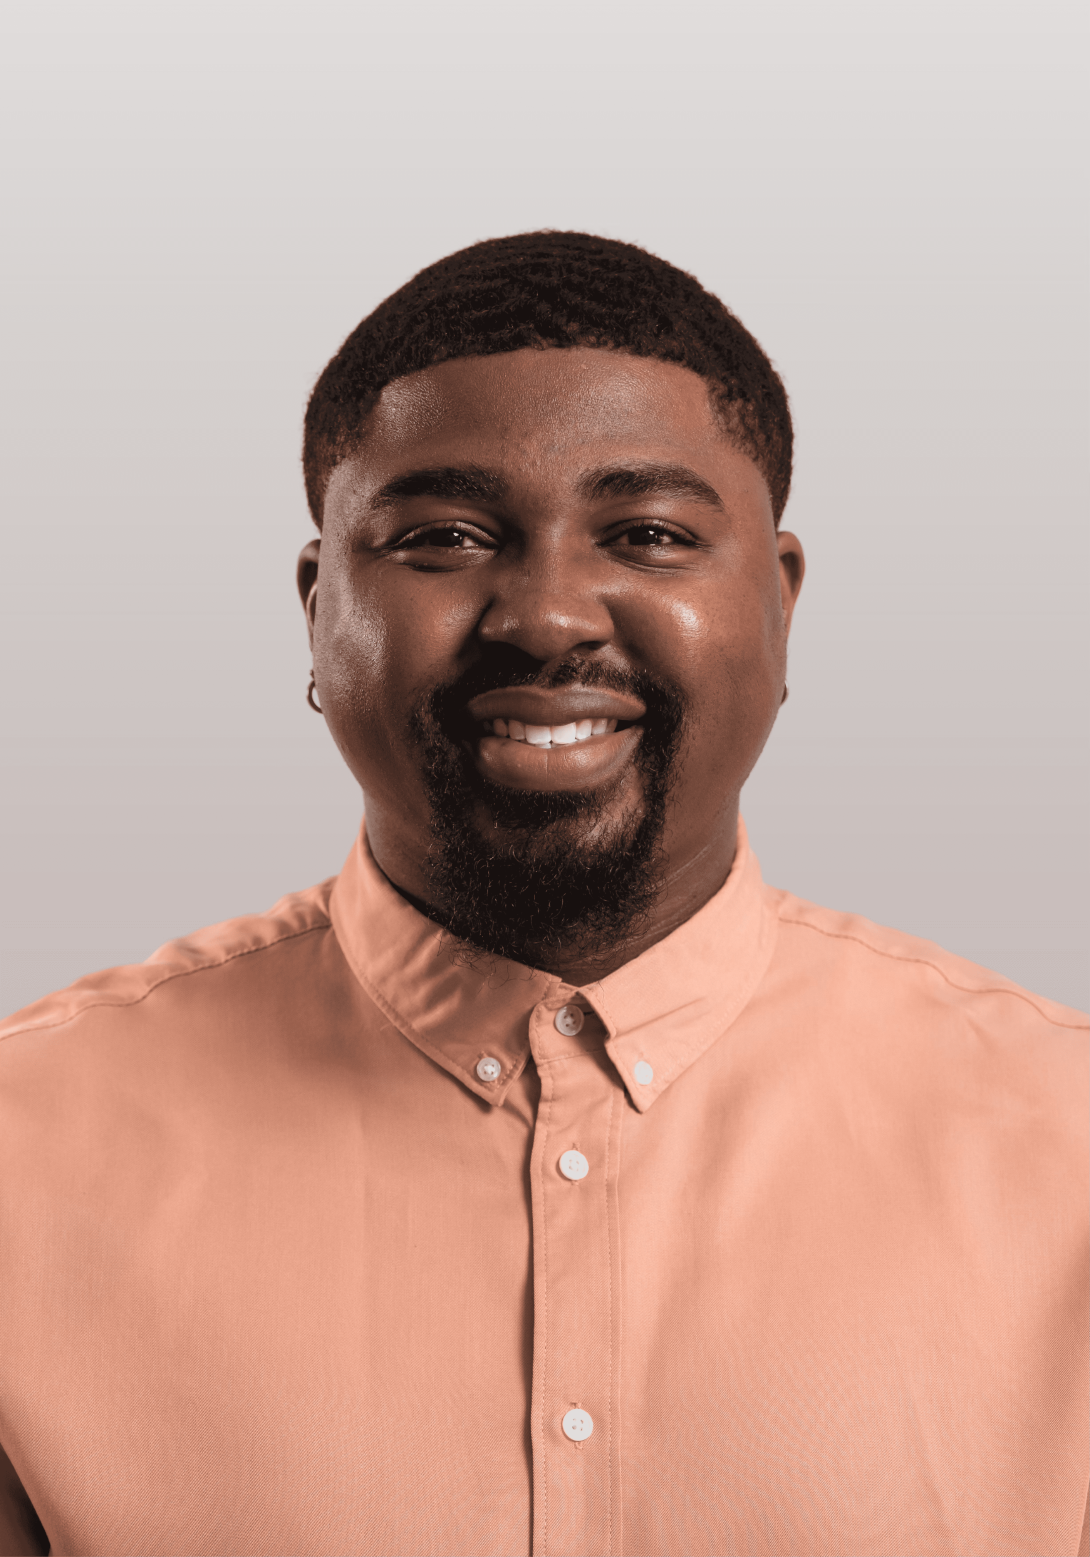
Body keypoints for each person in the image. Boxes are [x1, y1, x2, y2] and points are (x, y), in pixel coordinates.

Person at [0, 231, 1085, 1557]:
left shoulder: (1065, 1153)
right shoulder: (23, 1155)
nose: (548, 615)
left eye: (648, 534)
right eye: (444, 538)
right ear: (318, 608)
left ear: (779, 603)